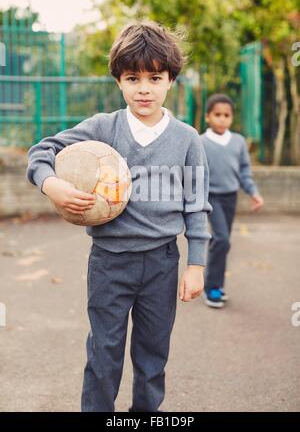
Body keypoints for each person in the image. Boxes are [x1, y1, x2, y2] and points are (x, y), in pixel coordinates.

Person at [26, 21, 212, 412]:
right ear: (119, 81)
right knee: (104, 353)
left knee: (152, 356)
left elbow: (196, 204)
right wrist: (52, 186)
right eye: (133, 77)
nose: (144, 87)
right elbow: (41, 152)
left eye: (154, 77)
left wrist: (196, 264)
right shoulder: (102, 128)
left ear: (170, 81)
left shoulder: (187, 139)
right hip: (109, 263)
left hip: (161, 262)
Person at [200, 93, 264, 309]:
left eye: (226, 115)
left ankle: (215, 282)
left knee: (221, 242)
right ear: (208, 117)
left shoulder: (237, 142)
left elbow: (244, 171)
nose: (222, 119)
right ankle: (212, 288)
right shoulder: (200, 142)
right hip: (210, 198)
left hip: (230, 198)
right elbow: (193, 173)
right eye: (217, 114)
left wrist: (253, 192)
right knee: (222, 239)